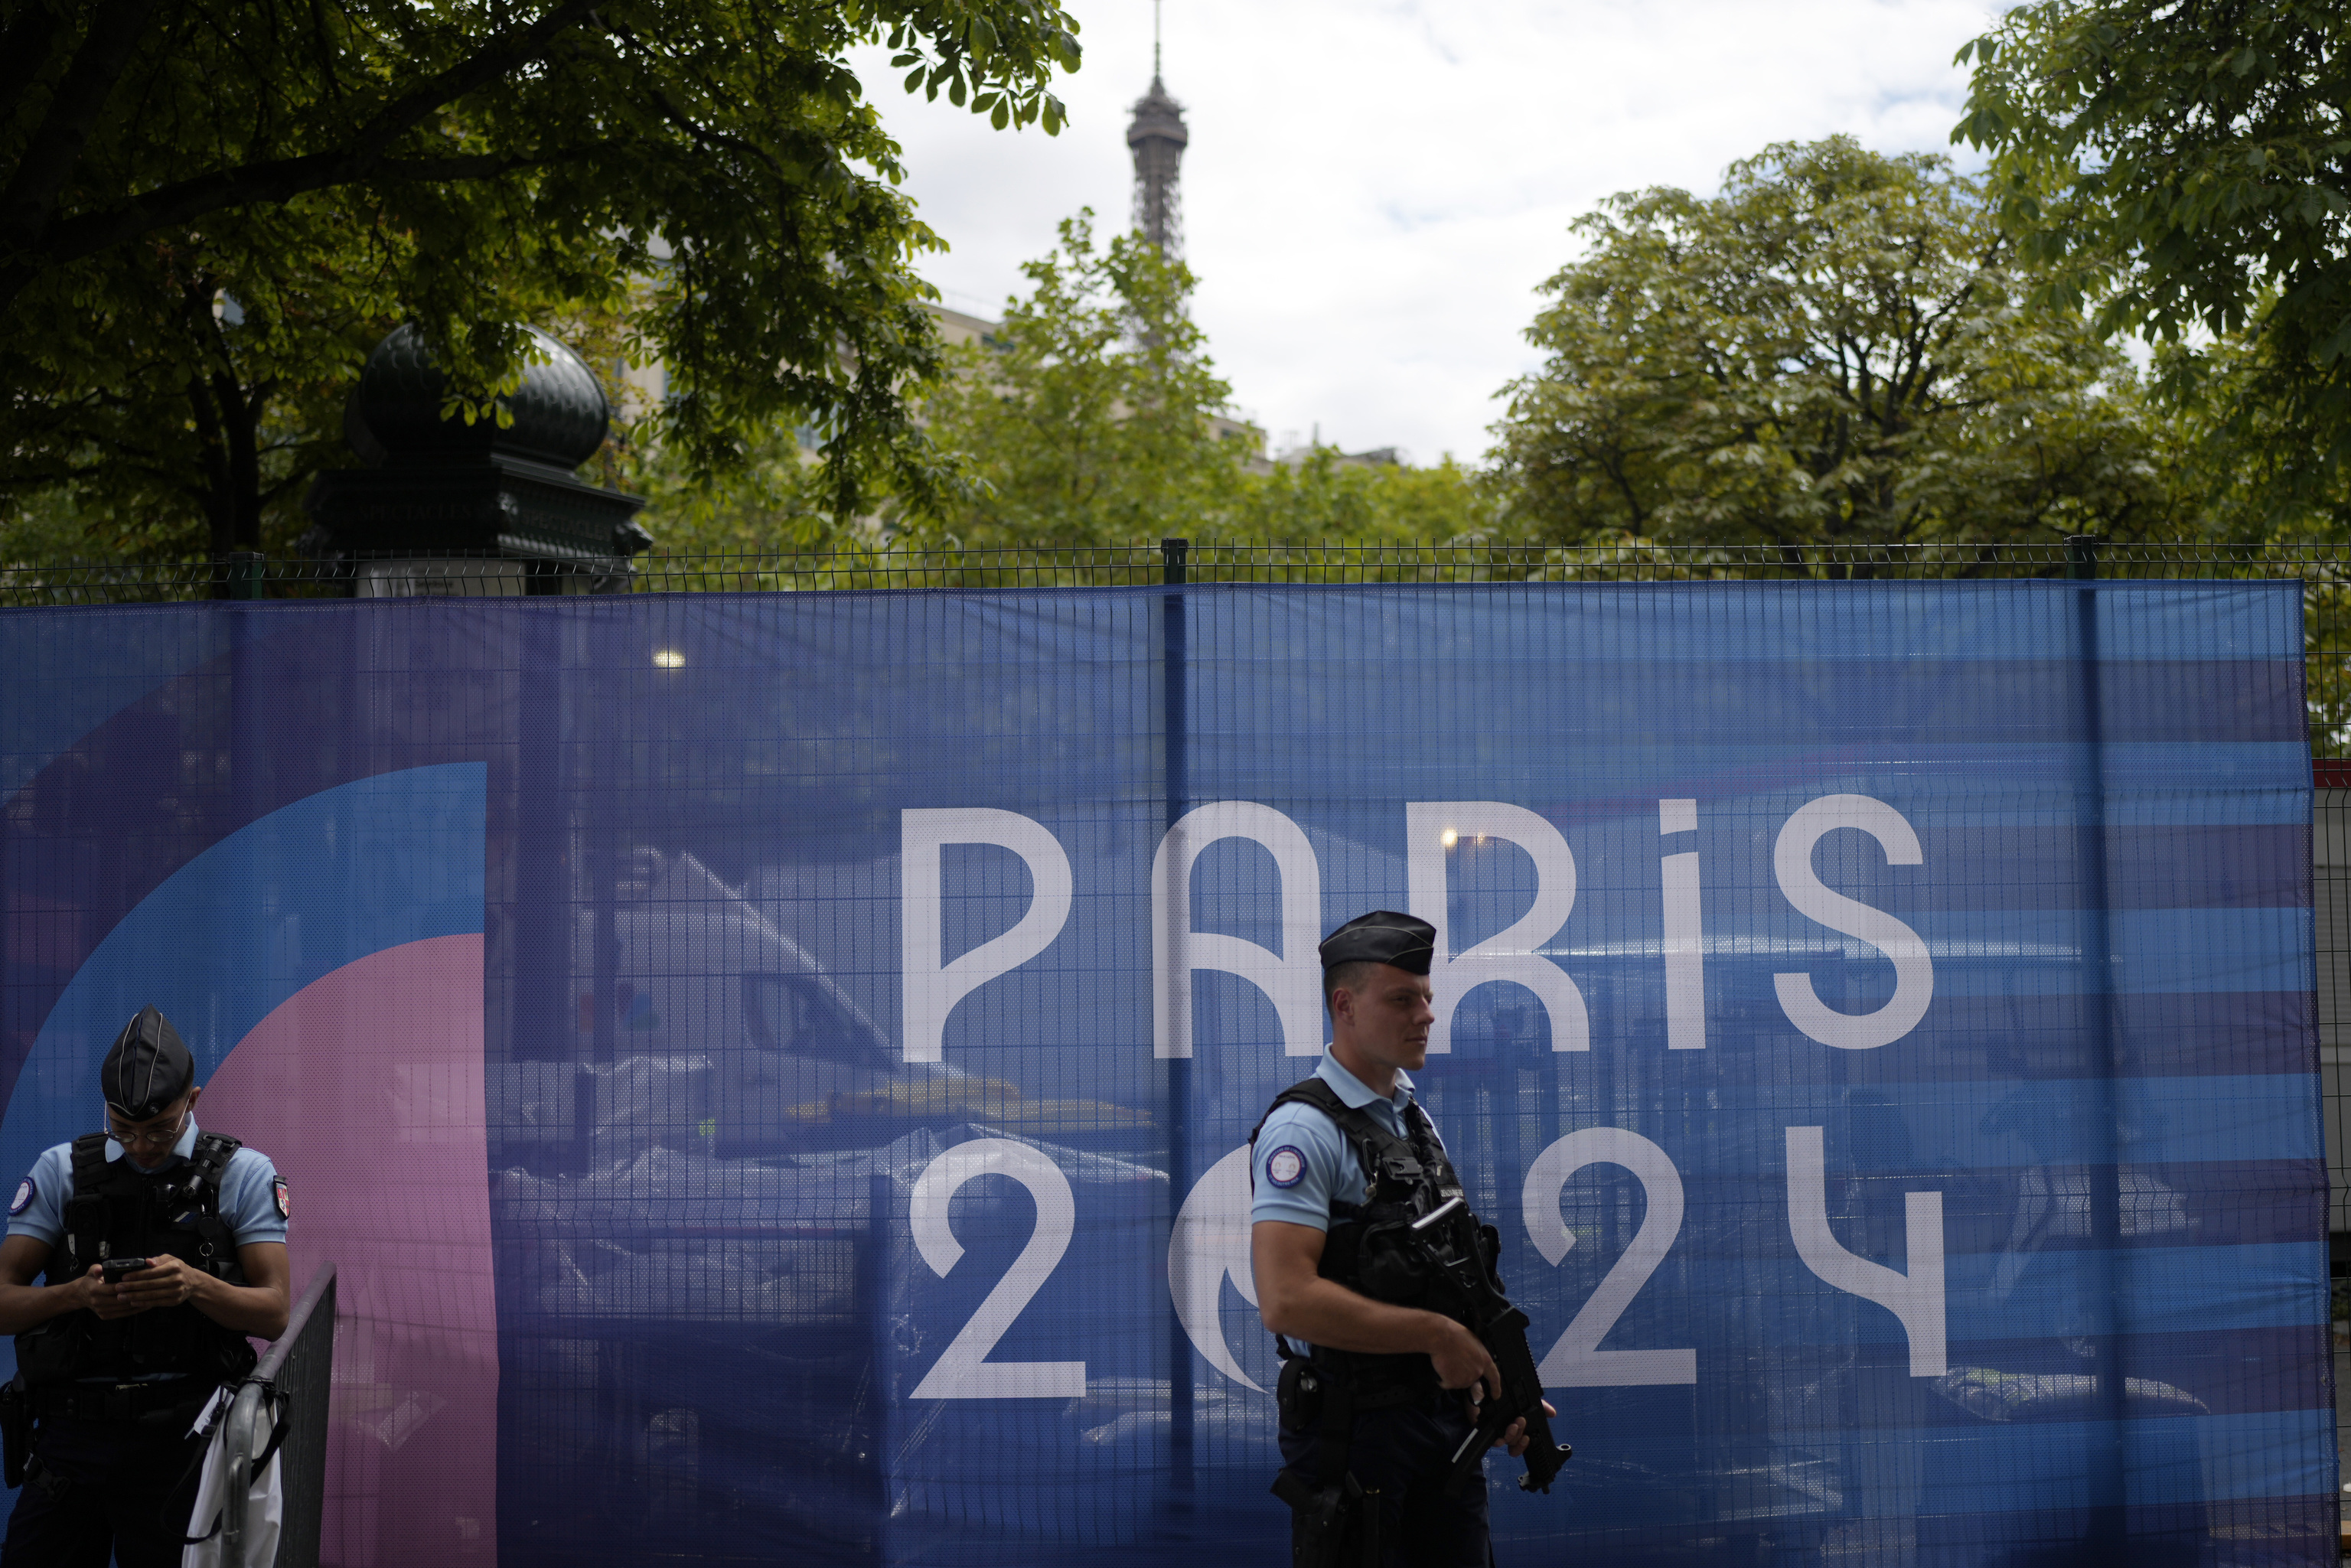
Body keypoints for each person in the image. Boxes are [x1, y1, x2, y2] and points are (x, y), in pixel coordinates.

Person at [1250, 911, 1552, 1568]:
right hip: (1356, 1435)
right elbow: (1285, 1299)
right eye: (1401, 999)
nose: (1425, 1016)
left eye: (1426, 998)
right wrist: (1438, 1337)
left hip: (1440, 1427)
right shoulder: (1303, 1131)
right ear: (1345, 1004)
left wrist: (1494, 1383)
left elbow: (1446, 1273)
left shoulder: (1413, 1119)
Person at [0, 1006, 290, 1567]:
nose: (141, 1145)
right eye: (123, 1128)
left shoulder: (243, 1174)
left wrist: (193, 1285)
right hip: (71, 1437)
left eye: (160, 1128)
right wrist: (75, 1295)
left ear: (194, 1099)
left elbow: (275, 1310)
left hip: (181, 1441)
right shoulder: (62, 1170)